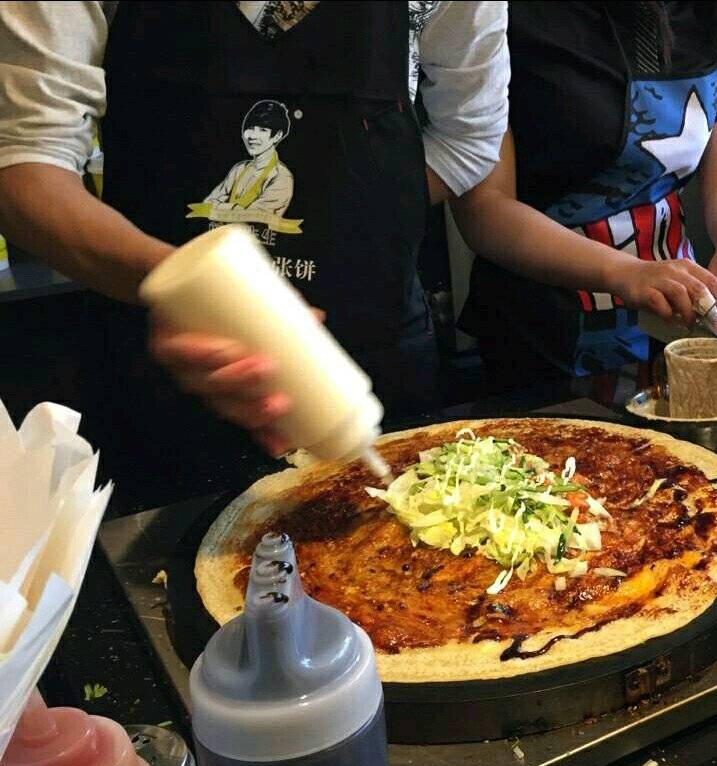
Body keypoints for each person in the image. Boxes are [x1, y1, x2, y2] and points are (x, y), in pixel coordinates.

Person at [0, 1, 509, 461]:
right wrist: (194, 287)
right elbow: (25, 162)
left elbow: (469, 137)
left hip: (377, 341)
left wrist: (353, 216)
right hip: (160, 356)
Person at [451, 1, 717, 381]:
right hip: (542, 328)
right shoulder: (506, 17)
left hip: (681, 313)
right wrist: (626, 272)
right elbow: (484, 207)